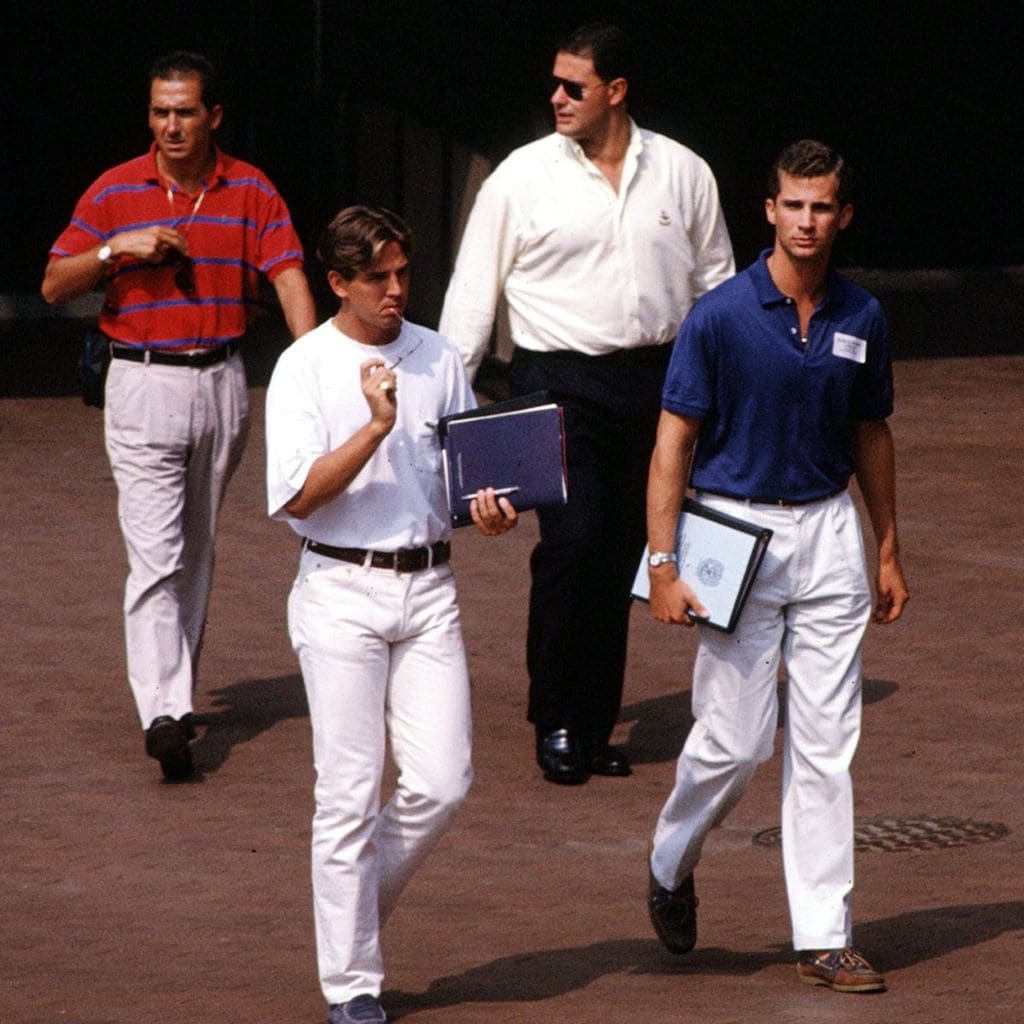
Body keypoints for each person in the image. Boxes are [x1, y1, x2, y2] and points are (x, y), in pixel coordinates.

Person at [644, 140, 909, 993]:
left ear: (844, 216)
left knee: (828, 746)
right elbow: (672, 446)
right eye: (793, 205)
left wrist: (888, 545)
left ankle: (824, 934)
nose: (807, 222)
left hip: (829, 532)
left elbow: (872, 431)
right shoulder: (719, 316)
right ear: (769, 211)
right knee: (735, 742)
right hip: (731, 536)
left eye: (822, 207)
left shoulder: (862, 316)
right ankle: (670, 862)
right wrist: (663, 563)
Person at [439, 22, 734, 785]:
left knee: (617, 555)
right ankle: (560, 718)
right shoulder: (520, 176)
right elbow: (473, 297)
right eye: (555, 83)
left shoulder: (683, 173)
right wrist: (442, 410)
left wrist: (732, 390)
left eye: (575, 86)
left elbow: (718, 289)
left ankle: (594, 720)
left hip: (656, 383)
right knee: (572, 546)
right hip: (556, 383)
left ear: (617, 91)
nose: (558, 97)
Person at [265, 206, 517, 1024]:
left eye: (404, 274)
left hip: (429, 588)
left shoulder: (439, 356)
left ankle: (347, 915)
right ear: (337, 282)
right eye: (378, 278)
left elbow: (460, 472)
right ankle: (352, 984)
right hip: (338, 592)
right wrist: (376, 425)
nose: (396, 291)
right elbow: (298, 497)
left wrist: (489, 507)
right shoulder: (304, 368)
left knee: (444, 780)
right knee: (346, 791)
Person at [42, 51, 316, 782]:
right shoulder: (115, 188)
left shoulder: (251, 189)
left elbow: (287, 273)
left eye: (184, 112)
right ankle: (164, 713)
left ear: (213, 116)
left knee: (195, 549)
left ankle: (175, 693)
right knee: (156, 554)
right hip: (142, 380)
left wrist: (319, 363)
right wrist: (114, 249)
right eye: (160, 112)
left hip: (221, 379)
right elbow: (52, 282)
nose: (170, 126)